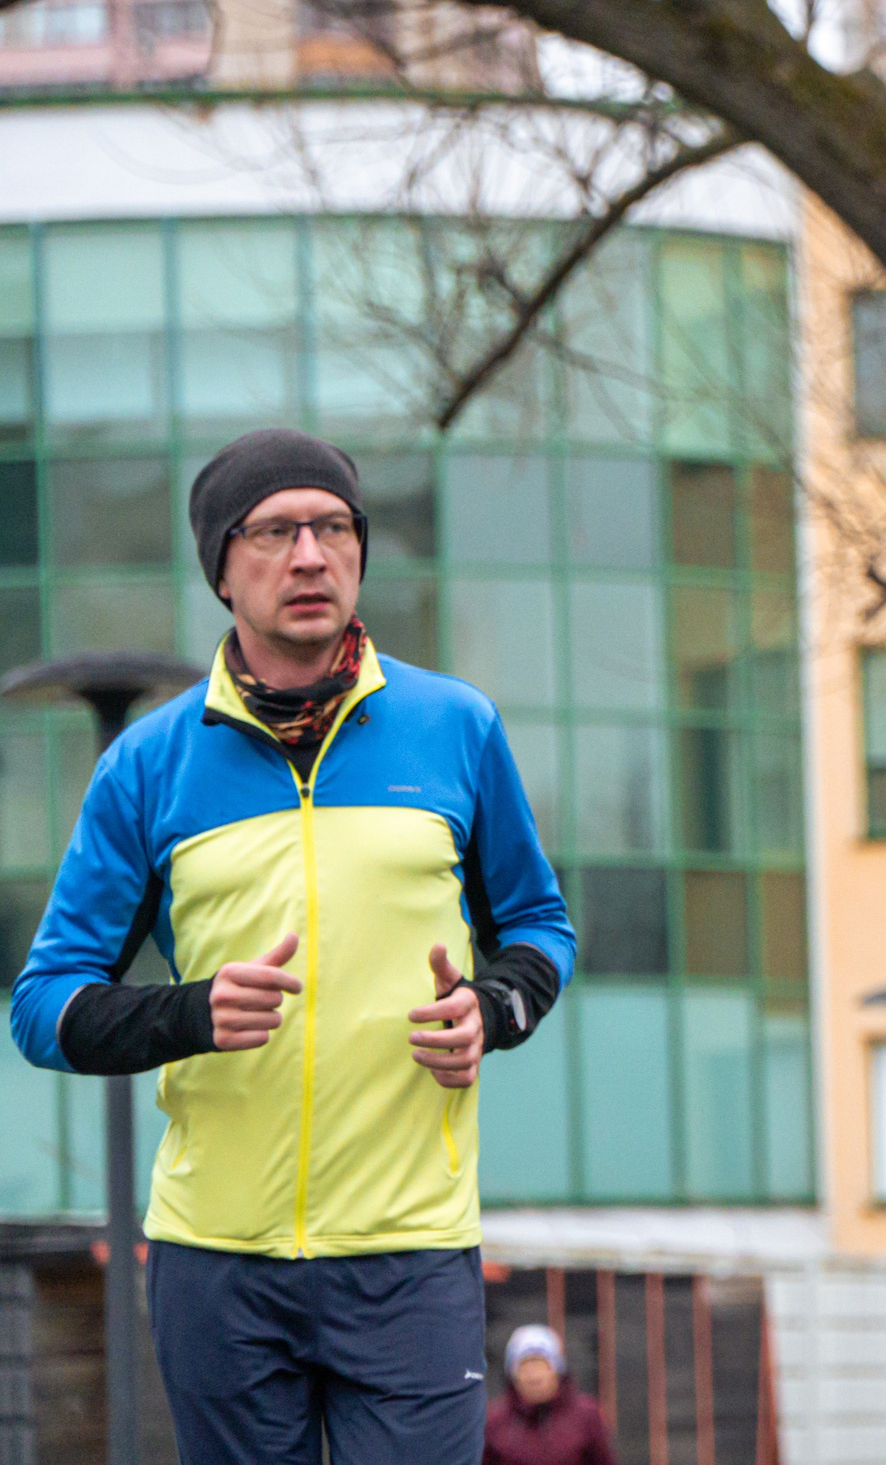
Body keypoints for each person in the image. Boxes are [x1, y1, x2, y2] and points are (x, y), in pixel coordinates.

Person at [8, 428, 575, 1465]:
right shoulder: (150, 764)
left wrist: (492, 1013)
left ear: (359, 553)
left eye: (333, 527)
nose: (309, 554)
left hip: (408, 1253)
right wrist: (187, 1012)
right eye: (273, 531)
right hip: (215, 1264)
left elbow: (539, 930)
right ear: (223, 569)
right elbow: (44, 1006)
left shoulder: (456, 727)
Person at [485, 1324, 618, 1465]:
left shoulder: (587, 1417)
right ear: (513, 1375)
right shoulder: (493, 1421)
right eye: (525, 1367)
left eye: (543, 1366)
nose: (534, 1376)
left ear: (558, 1371)